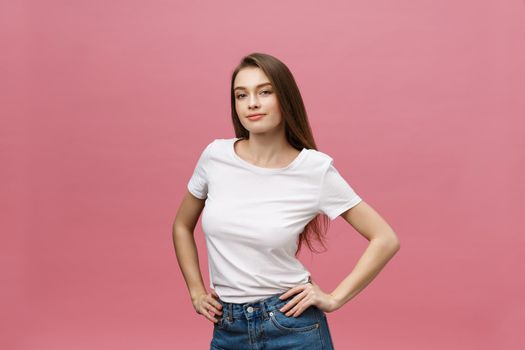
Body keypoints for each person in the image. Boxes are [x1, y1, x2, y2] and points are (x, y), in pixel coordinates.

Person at [172, 52, 400, 350]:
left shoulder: (314, 169)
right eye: (241, 95)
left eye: (264, 92)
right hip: (228, 328)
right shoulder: (216, 157)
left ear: (285, 98)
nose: (252, 103)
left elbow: (385, 238)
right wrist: (196, 291)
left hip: (291, 325)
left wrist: (334, 298)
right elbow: (181, 226)